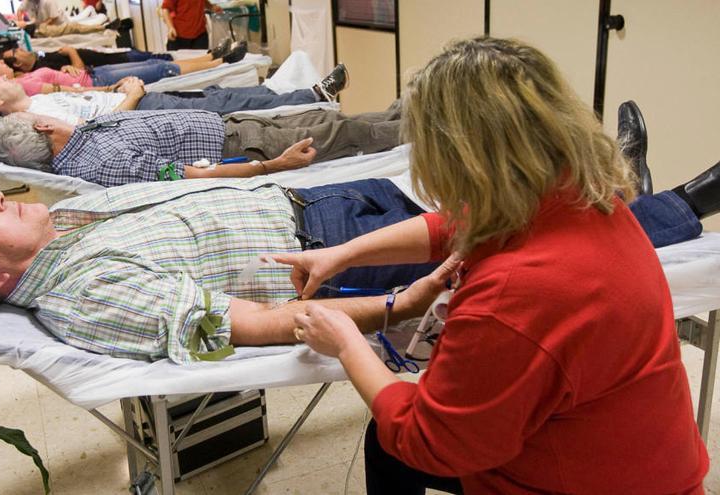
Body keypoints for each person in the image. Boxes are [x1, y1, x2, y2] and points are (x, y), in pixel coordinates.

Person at [272, 37, 710, 494]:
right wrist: (340, 254)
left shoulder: (511, 297)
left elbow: (425, 439)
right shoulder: (586, 200)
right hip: (643, 461)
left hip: (580, 475)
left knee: (392, 441)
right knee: (385, 448)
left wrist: (346, 344)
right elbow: (459, 223)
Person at [0, 147, 720, 367]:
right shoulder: (83, 294)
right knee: (528, 247)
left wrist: (274, 171)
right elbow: (259, 322)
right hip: (330, 260)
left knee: (492, 214)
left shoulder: (63, 224)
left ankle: (619, 191)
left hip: (322, 208)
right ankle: (680, 204)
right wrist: (403, 307)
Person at [0, 102, 399, 184]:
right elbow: (188, 175)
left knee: (334, 120)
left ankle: (410, 113)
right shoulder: (102, 162)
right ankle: (426, 127)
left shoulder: (82, 139)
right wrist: (273, 166)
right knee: (347, 135)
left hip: (234, 125)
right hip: (245, 146)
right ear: (41, 128)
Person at [0, 64, 348, 123]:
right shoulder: (36, 120)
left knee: (220, 95)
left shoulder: (39, 101)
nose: (3, 76)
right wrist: (131, 94)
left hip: (134, 100)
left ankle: (306, 95)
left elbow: (88, 100)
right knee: (225, 105)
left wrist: (116, 87)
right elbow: (97, 130)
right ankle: (313, 96)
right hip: (139, 113)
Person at [0, 41, 246, 96]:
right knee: (161, 70)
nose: (1, 63)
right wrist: (109, 90)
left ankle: (214, 58)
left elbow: (60, 80)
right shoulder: (23, 87)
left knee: (156, 64)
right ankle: (223, 61)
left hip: (92, 73)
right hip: (96, 80)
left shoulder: (24, 78)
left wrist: (65, 64)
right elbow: (65, 90)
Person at [0, 44, 178, 73]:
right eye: (17, 51)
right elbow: (78, 70)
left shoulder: (40, 58)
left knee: (152, 57)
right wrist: (71, 51)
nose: (21, 48)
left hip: (108, 58)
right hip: (109, 65)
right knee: (159, 63)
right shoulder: (42, 69)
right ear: (17, 63)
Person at [16, 0, 105, 37]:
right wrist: (21, 21)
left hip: (61, 22)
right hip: (47, 26)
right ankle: (91, 10)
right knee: (78, 20)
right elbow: (19, 10)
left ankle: (101, 17)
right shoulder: (28, 2)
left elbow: (54, 17)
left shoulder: (48, 1)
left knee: (77, 24)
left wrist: (43, 26)